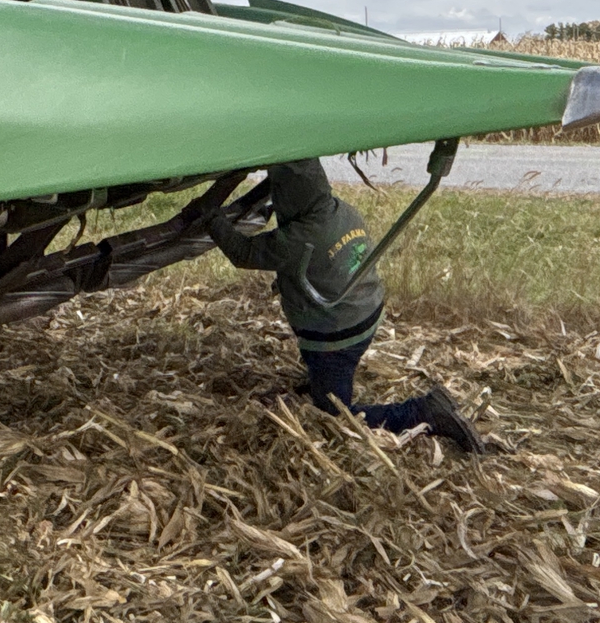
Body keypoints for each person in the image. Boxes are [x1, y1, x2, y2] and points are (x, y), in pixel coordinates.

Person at [208, 159, 485, 452]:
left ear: (289, 196)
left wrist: (210, 219)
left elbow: (242, 253)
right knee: (326, 373)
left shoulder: (300, 238)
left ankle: (424, 412)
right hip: (366, 308)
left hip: (337, 336)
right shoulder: (341, 210)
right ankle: (323, 380)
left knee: (333, 415)